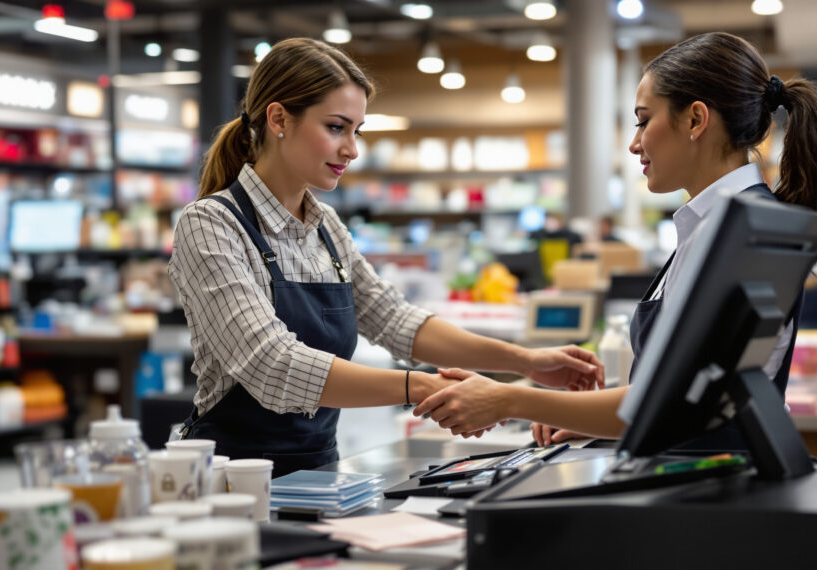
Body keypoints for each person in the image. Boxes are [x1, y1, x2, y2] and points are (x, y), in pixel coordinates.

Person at [168, 37, 603, 477]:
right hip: (231, 480)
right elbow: (273, 364)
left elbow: (395, 321)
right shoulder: (211, 224)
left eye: (357, 131)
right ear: (278, 118)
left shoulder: (326, 227)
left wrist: (524, 360)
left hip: (316, 473)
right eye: (337, 127)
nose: (352, 149)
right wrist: (423, 387)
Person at [413, 32, 817, 447]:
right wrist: (593, 418)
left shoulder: (743, 233)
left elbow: (674, 402)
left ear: (695, 119)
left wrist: (509, 398)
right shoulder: (720, 223)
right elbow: (681, 396)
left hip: (708, 492)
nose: (634, 144)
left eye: (643, 120)